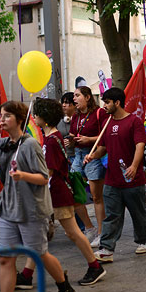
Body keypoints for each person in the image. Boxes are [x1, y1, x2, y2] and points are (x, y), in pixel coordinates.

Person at [0, 101, 76, 292]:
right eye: (1, 115)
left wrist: (23, 175)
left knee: (40, 253)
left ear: (19, 120)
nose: (2, 119)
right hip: (7, 209)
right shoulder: (0, 144)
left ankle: (65, 288)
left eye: (7, 116)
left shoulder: (30, 145)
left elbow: (43, 177)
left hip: (31, 209)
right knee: (5, 259)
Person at [15, 98, 106, 289]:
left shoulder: (52, 141)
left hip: (57, 194)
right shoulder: (50, 139)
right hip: (51, 195)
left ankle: (95, 266)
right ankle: (26, 274)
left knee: (73, 232)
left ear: (44, 118)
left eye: (37, 114)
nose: (34, 118)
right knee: (39, 235)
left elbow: (47, 173)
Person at [85, 87, 146, 262]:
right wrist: (92, 155)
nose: (104, 106)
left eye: (107, 102)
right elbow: (102, 148)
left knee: (138, 213)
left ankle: (145, 240)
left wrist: (134, 166)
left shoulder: (134, 121)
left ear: (117, 102)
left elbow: (140, 145)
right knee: (112, 215)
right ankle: (107, 248)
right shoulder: (107, 123)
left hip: (132, 179)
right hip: (112, 179)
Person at [66, 86, 108, 248]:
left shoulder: (99, 113)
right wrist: (70, 140)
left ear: (88, 97)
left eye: (77, 96)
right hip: (77, 155)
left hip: (94, 155)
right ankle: (88, 227)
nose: (74, 99)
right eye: (74, 96)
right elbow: (73, 135)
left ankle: (101, 232)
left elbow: (105, 134)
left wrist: (89, 140)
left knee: (97, 197)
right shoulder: (76, 116)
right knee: (74, 192)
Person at [59, 92, 94, 238]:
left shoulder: (82, 118)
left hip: (83, 156)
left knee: (89, 194)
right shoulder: (59, 121)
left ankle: (91, 227)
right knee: (74, 194)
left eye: (69, 102)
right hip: (67, 159)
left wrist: (75, 140)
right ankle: (82, 226)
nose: (65, 105)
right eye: (64, 103)